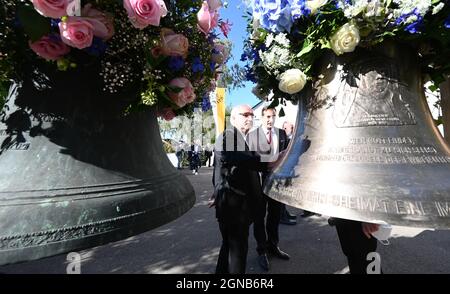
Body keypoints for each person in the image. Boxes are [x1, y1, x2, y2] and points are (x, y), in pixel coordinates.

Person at [211, 104, 268, 274]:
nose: (250, 118)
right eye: (245, 114)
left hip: (236, 203)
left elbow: (219, 170)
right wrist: (275, 161)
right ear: (233, 118)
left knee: (229, 246)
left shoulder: (240, 138)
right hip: (234, 207)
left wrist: (216, 192)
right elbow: (245, 160)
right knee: (238, 252)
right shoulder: (228, 135)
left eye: (252, 115)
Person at [247, 107, 290, 271]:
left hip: (277, 183)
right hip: (258, 182)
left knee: (275, 216)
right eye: (267, 117)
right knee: (259, 217)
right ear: (262, 117)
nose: (270, 120)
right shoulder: (252, 135)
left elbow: (286, 157)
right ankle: (262, 251)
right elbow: (251, 160)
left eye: (272, 116)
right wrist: (275, 159)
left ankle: (273, 246)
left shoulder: (282, 134)